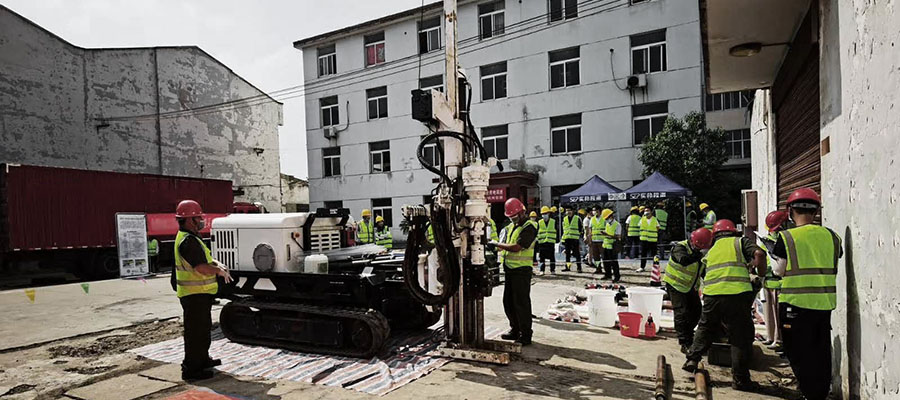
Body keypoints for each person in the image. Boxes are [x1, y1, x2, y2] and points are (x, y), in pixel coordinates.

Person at [771, 188, 842, 400]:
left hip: (795, 304)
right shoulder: (832, 236)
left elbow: (778, 271)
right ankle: (818, 393)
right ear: (816, 211)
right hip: (824, 305)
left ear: (790, 211)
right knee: (820, 353)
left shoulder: (787, 237)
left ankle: (810, 393)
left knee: (798, 353)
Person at [683, 219, 766, 391]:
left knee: (705, 327)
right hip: (736, 295)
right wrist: (760, 274)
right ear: (733, 231)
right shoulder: (740, 242)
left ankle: (692, 358)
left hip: (712, 294)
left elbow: (705, 273)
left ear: (715, 235)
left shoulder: (711, 250)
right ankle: (740, 380)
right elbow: (759, 254)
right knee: (740, 336)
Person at [173, 200, 232, 381]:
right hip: (194, 296)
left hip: (199, 295)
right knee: (195, 334)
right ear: (190, 219)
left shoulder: (191, 237)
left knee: (203, 330)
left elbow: (204, 260)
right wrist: (219, 271)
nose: (201, 220)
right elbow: (200, 268)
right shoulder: (188, 241)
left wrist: (216, 263)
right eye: (198, 217)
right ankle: (192, 369)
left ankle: (203, 360)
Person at [492, 198, 537, 345]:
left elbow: (518, 247)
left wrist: (498, 244)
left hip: (522, 271)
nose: (513, 219)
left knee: (521, 303)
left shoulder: (530, 226)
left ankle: (525, 334)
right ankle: (515, 329)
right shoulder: (511, 226)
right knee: (509, 302)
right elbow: (505, 243)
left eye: (515, 216)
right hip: (510, 269)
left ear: (523, 212)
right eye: (511, 217)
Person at [664, 228, 712, 354]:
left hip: (690, 287)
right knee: (681, 313)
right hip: (675, 285)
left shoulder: (700, 252)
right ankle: (684, 342)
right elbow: (684, 260)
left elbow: (702, 270)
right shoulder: (680, 248)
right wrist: (700, 254)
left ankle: (688, 334)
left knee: (697, 312)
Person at [761, 210, 788, 352]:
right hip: (768, 281)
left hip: (778, 282)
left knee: (776, 314)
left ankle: (777, 340)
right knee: (770, 314)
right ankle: (771, 337)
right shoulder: (766, 241)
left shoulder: (783, 240)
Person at [598, 209, 622, 282]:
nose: (606, 220)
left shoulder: (617, 225)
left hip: (613, 246)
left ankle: (617, 276)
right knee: (605, 261)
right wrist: (604, 233)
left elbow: (618, 236)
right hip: (605, 245)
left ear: (611, 216)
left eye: (607, 218)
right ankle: (608, 274)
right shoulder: (607, 224)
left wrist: (607, 235)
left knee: (614, 262)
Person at [636, 207, 659, 272]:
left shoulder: (655, 219)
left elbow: (657, 228)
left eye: (648, 210)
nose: (646, 212)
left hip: (653, 240)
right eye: (645, 211)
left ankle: (656, 267)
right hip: (644, 240)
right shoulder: (642, 219)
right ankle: (642, 267)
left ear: (651, 212)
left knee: (654, 254)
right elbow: (639, 226)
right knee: (643, 254)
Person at [536, 206, 557, 275]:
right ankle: (542, 270)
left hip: (550, 242)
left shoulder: (553, 221)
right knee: (542, 258)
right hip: (542, 242)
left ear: (548, 214)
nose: (544, 215)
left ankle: (552, 270)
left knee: (552, 257)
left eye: (546, 213)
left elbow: (556, 230)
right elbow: (537, 232)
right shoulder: (539, 222)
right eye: (543, 214)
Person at [561, 208, 583, 272]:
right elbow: (564, 229)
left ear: (573, 211)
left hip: (575, 239)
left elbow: (581, 228)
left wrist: (578, 235)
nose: (568, 212)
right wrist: (563, 239)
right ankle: (567, 267)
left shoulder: (577, 218)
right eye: (567, 210)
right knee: (567, 254)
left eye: (569, 210)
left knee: (577, 254)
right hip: (567, 239)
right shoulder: (564, 219)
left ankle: (579, 268)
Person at [586, 207, 606, 274]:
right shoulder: (592, 219)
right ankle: (598, 268)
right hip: (594, 240)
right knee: (596, 256)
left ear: (600, 211)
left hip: (602, 240)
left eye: (596, 210)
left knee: (604, 256)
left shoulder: (604, 218)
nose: (594, 212)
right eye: (593, 210)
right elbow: (590, 229)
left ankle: (606, 269)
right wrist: (590, 239)